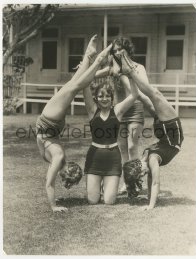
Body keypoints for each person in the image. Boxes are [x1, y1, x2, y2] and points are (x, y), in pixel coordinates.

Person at [36, 35, 112, 212]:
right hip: (50, 121)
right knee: (74, 85)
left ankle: (91, 58)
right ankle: (96, 59)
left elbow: (49, 182)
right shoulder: (58, 158)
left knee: (74, 85)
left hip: (51, 123)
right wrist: (54, 206)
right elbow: (49, 184)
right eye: (65, 179)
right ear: (64, 173)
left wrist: (55, 203)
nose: (61, 179)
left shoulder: (58, 158)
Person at [119, 48, 184, 210]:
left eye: (139, 168)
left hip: (162, 132)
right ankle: (129, 71)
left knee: (143, 97)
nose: (142, 168)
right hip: (172, 131)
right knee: (154, 94)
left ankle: (122, 74)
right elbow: (155, 182)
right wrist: (151, 205)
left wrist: (149, 200)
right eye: (140, 170)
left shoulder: (146, 157)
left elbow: (150, 180)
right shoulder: (152, 160)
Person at [94, 37, 145, 195]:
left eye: (119, 49)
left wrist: (122, 72)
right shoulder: (112, 69)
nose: (117, 53)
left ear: (127, 50)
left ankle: (136, 182)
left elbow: (136, 92)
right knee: (122, 149)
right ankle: (127, 183)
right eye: (114, 50)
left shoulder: (138, 67)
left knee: (132, 146)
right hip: (120, 111)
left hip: (135, 108)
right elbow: (93, 74)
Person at [82, 67, 139, 205]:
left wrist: (130, 75)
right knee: (92, 200)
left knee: (109, 201)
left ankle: (106, 185)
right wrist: (85, 69)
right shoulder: (92, 110)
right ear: (95, 98)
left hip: (112, 159)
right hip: (94, 159)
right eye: (101, 96)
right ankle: (98, 185)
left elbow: (134, 95)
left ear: (112, 97)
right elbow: (84, 85)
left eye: (107, 96)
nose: (104, 99)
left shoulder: (117, 111)